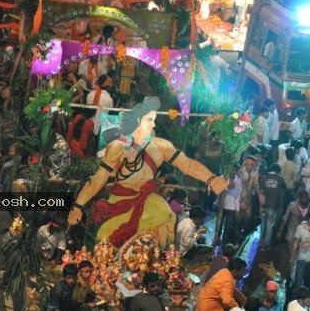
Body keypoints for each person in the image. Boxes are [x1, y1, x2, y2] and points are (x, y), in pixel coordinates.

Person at [68, 97, 227, 247]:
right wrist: (77, 205)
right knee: (105, 238)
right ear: (138, 120)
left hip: (148, 199)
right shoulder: (118, 147)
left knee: (165, 216)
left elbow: (187, 164)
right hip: (120, 200)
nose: (153, 125)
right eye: (149, 120)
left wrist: (211, 178)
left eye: (154, 120)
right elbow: (99, 178)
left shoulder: (161, 146)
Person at [258, 163, 285, 250]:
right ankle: (266, 244)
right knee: (270, 225)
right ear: (278, 171)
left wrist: (261, 206)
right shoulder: (280, 180)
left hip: (263, 205)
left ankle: (261, 241)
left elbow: (261, 192)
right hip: (273, 207)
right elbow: (284, 190)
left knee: (263, 224)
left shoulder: (262, 178)